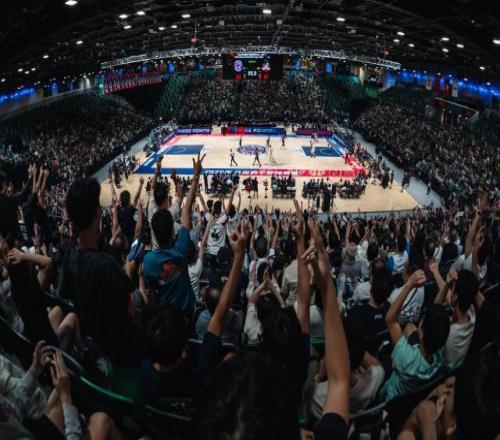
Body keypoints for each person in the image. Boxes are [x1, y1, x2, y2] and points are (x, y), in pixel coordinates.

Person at [59, 177, 139, 367]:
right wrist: (128, 272)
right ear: (97, 212)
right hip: (118, 352)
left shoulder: (69, 257)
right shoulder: (106, 265)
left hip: (94, 343)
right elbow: (131, 308)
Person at [143, 153, 205, 314]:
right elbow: (185, 208)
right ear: (173, 230)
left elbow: (152, 191)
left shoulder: (148, 261)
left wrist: (157, 170)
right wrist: (194, 176)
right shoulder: (181, 248)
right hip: (184, 312)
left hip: (164, 313)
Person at [380, 269, 450, 401]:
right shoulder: (439, 355)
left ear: (421, 333)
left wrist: (409, 284)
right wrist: (447, 284)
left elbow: (390, 320)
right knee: (410, 326)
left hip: (392, 401)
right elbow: (436, 308)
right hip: (415, 396)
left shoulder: (406, 357)